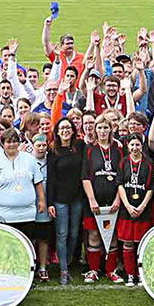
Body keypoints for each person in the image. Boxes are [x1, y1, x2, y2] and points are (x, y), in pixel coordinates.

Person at [81, 114, 124, 284]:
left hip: (114, 201)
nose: (103, 131)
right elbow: (85, 177)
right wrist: (91, 200)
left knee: (112, 235)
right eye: (99, 127)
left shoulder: (119, 149)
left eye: (106, 127)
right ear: (95, 129)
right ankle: (93, 270)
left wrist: (118, 200)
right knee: (94, 235)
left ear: (111, 129)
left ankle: (111, 270)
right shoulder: (90, 149)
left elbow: (122, 176)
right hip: (94, 201)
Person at [0, 129, 44, 239]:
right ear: (3, 144)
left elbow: (38, 181)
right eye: (8, 142)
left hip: (27, 214)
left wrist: (41, 200)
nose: (11, 145)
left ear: (18, 143)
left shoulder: (29, 159)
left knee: (27, 246)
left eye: (14, 141)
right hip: (5, 215)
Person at [47, 118, 85, 285]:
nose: (65, 131)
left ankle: (68, 261)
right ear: (57, 131)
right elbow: (51, 180)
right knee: (61, 235)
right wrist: (50, 202)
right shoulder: (53, 151)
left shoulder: (80, 147)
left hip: (77, 198)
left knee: (74, 234)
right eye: (62, 128)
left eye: (68, 127)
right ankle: (63, 270)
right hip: (60, 200)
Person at [116, 133, 154, 287]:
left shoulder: (149, 164)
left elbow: (151, 188)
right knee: (127, 243)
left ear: (142, 145)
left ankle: (140, 274)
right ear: (127, 146)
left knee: (140, 243)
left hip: (142, 209)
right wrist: (127, 205)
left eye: (137, 144)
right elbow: (119, 184)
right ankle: (130, 274)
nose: (134, 148)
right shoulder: (123, 162)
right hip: (127, 209)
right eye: (132, 145)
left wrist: (142, 206)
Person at [31, 134, 53, 282]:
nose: (41, 148)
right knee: (30, 237)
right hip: (29, 205)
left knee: (43, 238)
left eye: (43, 145)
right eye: (38, 145)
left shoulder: (50, 161)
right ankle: (30, 265)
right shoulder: (27, 161)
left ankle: (43, 267)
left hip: (45, 205)